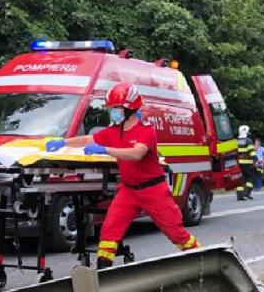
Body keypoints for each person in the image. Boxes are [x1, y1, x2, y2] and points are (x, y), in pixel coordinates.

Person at [46, 82, 200, 268]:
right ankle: (103, 270)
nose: (112, 112)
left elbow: (137, 154)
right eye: (111, 108)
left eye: (116, 108)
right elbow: (88, 139)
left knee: (175, 232)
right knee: (110, 231)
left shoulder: (145, 130)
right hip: (128, 191)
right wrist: (63, 143)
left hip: (153, 190)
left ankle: (202, 258)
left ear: (129, 108)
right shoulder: (114, 131)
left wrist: (105, 150)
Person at [236, 125, 256, 200]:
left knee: (241, 179)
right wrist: (255, 158)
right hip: (247, 163)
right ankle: (247, 193)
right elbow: (251, 151)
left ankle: (239, 196)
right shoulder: (248, 140)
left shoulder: (236, 140)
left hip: (239, 163)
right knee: (251, 178)